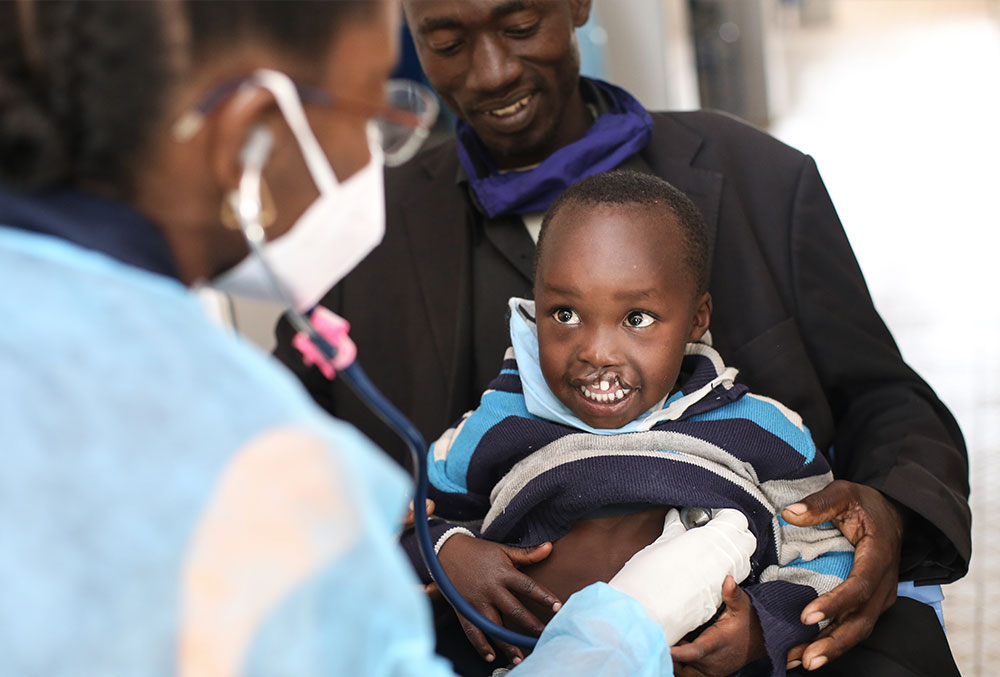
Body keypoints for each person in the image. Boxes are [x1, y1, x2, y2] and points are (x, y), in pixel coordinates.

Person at [0, 2, 755, 674]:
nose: (380, 157)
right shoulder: (241, 458)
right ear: (251, 138)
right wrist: (630, 624)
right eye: (372, 119)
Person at [272, 1, 970, 674]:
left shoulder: (761, 180)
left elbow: (889, 402)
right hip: (478, 643)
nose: (489, 73)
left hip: (744, 628)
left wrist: (891, 514)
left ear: (577, 4)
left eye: (519, 26)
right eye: (447, 43)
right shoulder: (360, 235)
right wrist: (430, 544)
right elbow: (273, 447)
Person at [406, 170, 855, 676]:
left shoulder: (764, 431)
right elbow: (405, 517)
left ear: (696, 318)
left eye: (636, 318)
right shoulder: (500, 420)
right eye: (566, 314)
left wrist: (763, 629)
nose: (596, 352)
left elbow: (827, 554)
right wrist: (449, 554)